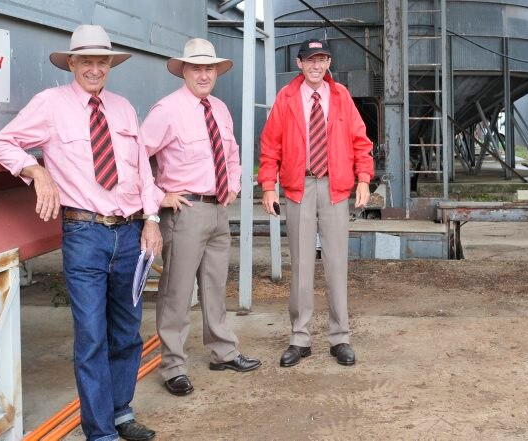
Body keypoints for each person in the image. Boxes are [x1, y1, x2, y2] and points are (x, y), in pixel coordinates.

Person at [0, 24, 161, 441]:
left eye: (102, 61)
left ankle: (121, 414)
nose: (95, 69)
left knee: (126, 332)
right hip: (85, 234)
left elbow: (143, 170)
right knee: (92, 337)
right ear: (72, 64)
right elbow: (1, 142)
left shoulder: (123, 108)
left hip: (131, 231)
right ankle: (100, 433)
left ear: (110, 66)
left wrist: (152, 219)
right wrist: (36, 170)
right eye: (87, 61)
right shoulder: (50, 104)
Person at [140, 38, 261, 395]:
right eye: (197, 68)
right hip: (185, 211)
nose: (204, 74)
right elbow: (136, 159)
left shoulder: (220, 109)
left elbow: (233, 152)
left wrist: (235, 185)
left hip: (218, 208)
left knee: (214, 286)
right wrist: (161, 196)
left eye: (209, 68)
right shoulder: (166, 110)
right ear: (185, 71)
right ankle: (173, 366)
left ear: (216, 72)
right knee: (177, 292)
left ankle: (223, 351)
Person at [258, 38, 373, 368]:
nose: (316, 66)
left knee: (337, 264)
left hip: (335, 187)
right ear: (299, 63)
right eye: (310, 60)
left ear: (328, 64)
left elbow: (360, 140)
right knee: (301, 265)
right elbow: (270, 146)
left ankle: (340, 337)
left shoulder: (340, 97)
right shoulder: (287, 98)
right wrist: (269, 186)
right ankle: (300, 337)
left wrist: (363, 178)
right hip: (299, 187)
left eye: (322, 60)